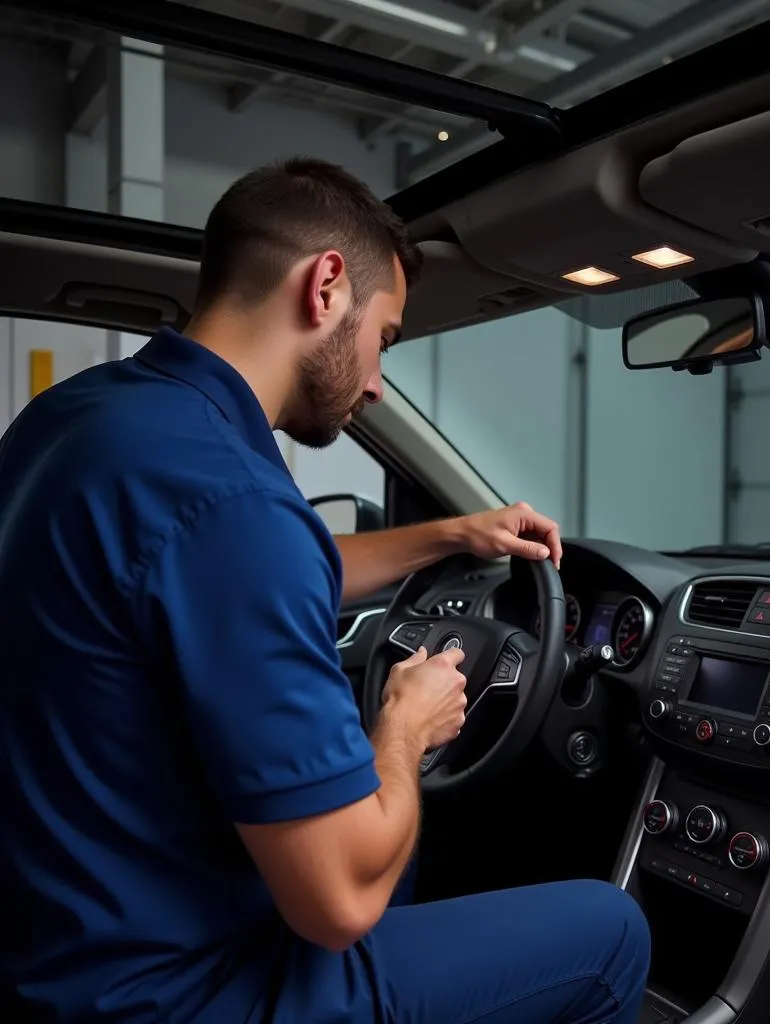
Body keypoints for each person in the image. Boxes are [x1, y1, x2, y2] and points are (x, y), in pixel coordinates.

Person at [0, 158, 650, 1023]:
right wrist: (404, 727)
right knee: (610, 932)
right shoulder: (232, 504)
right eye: (384, 338)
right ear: (327, 286)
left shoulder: (80, 418)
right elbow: (339, 904)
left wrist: (454, 534)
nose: (378, 380)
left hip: (52, 947)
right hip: (178, 993)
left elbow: (228, 574)